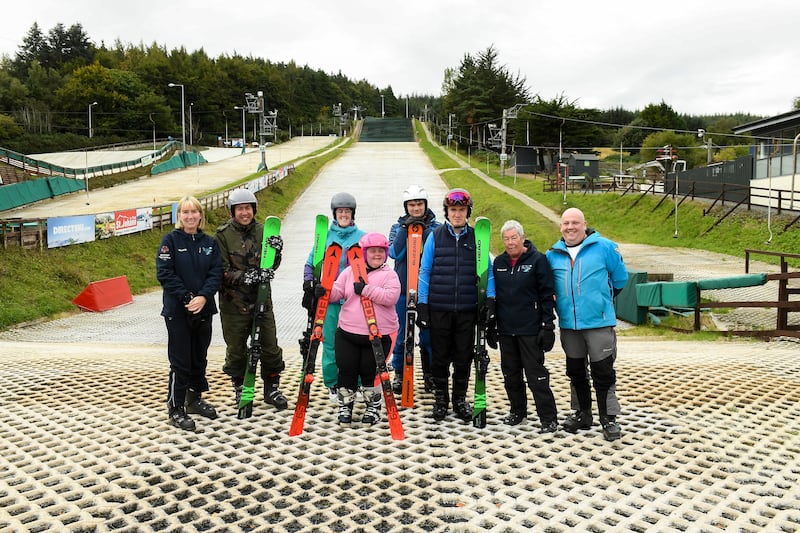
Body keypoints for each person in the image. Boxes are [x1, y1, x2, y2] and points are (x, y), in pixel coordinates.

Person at [546, 207, 628, 441]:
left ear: (584, 225)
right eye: (566, 223)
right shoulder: (553, 254)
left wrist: (601, 302)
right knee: (575, 371)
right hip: (569, 325)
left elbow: (620, 278)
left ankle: (608, 418)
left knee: (603, 372)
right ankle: (583, 412)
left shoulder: (604, 247)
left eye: (575, 223)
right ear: (560, 227)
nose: (570, 227)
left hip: (598, 323)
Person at [417, 188, 495, 422]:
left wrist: (490, 299)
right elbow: (425, 271)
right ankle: (441, 399)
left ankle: (460, 399)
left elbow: (487, 272)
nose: (457, 214)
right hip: (439, 309)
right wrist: (422, 304)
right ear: (447, 212)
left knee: (463, 357)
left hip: (466, 310)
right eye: (453, 210)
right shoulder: (436, 236)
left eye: (461, 210)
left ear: (467, 212)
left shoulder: (477, 239)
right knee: (439, 357)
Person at [215, 188, 288, 411]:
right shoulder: (223, 235)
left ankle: (271, 387)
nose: (244, 213)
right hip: (234, 304)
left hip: (262, 300)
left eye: (248, 208)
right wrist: (248, 276)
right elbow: (221, 271)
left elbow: (270, 266)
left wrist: (277, 253)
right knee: (236, 348)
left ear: (254, 209)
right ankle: (240, 387)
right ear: (232, 211)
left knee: (270, 345)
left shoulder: (262, 231)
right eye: (240, 209)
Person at [156, 195, 223, 431]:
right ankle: (176, 408)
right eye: (185, 212)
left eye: (194, 212)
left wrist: (203, 297)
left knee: (199, 358)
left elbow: (216, 273)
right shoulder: (170, 241)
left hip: (204, 309)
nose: (190, 216)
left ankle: (194, 399)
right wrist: (187, 298)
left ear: (200, 215)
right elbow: (165, 273)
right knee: (180, 361)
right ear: (179, 217)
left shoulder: (210, 243)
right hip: (178, 311)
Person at [491, 220, 558, 433]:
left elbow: (547, 295)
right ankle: (517, 411)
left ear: (522, 237)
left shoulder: (538, 260)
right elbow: (495, 296)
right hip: (506, 330)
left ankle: (548, 418)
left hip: (530, 329)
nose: (510, 243)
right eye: (506, 239)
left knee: (536, 376)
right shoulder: (499, 263)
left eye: (514, 238)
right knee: (511, 374)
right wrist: (491, 325)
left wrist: (548, 326)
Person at [329, 232, 401, 425]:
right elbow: (338, 291)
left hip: (378, 334)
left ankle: (373, 407)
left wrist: (366, 289)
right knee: (346, 369)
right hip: (347, 332)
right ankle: (345, 406)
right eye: (372, 251)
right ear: (364, 253)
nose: (376, 255)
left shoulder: (389, 274)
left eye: (381, 251)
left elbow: (390, 297)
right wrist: (324, 291)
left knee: (371, 372)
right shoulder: (350, 271)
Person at [302, 192, 365, 404]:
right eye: (340, 212)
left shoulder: (361, 237)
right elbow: (311, 263)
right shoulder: (325, 238)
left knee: (355, 343)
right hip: (328, 301)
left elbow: (373, 264)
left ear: (353, 213)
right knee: (329, 343)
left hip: (353, 302)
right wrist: (310, 283)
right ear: (335, 214)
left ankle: (354, 382)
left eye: (347, 211)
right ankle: (332, 383)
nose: (344, 215)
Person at [387, 184, 441, 394]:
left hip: (427, 291)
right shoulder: (397, 227)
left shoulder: (437, 228)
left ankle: (430, 374)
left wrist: (423, 229)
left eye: (419, 204)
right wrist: (406, 230)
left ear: (425, 205)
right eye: (412, 205)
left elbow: (435, 252)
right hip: (403, 289)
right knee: (402, 334)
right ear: (406, 207)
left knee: (428, 335)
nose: (416, 208)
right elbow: (394, 253)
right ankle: (400, 373)